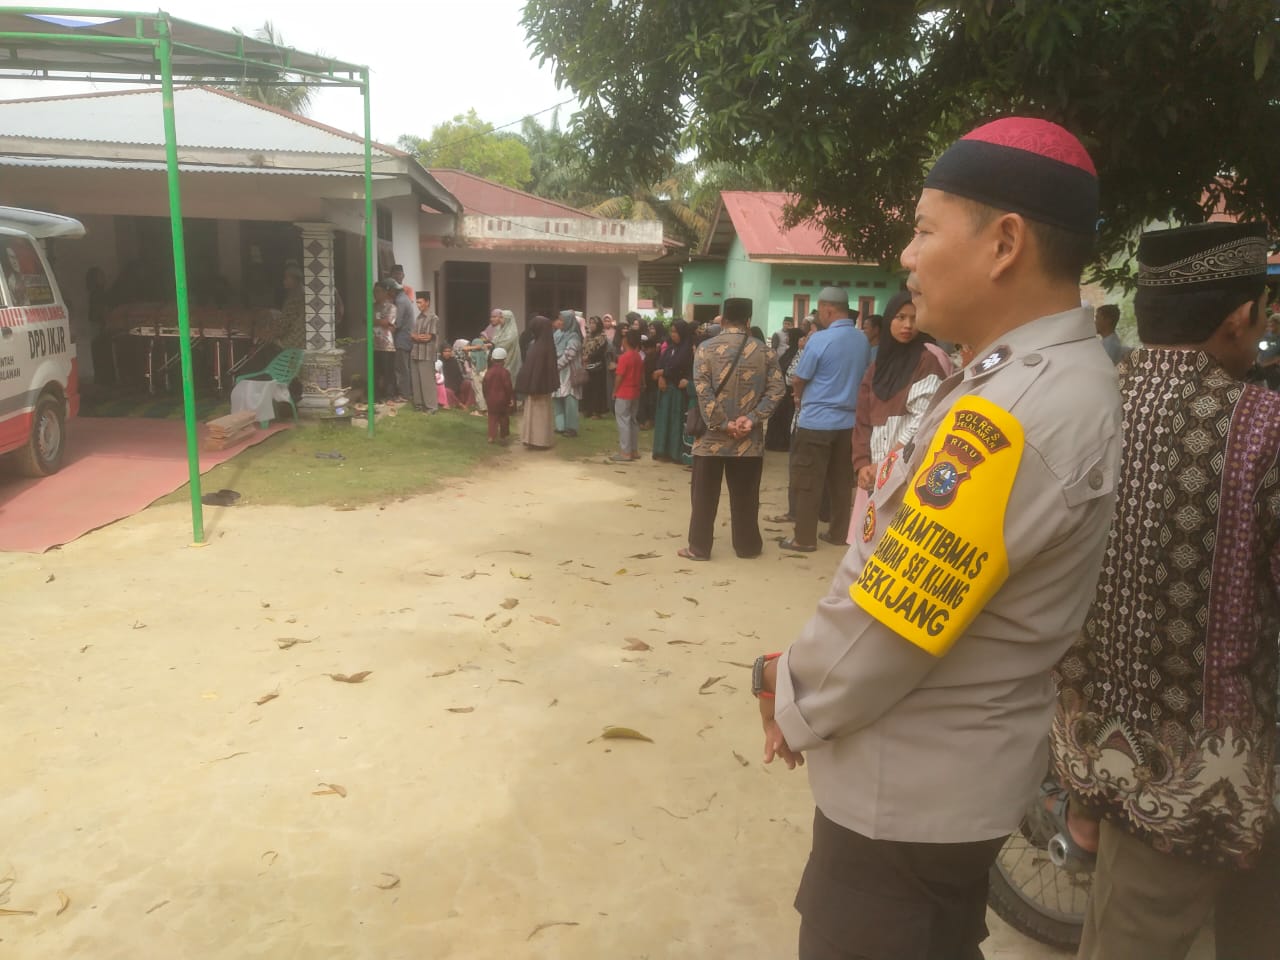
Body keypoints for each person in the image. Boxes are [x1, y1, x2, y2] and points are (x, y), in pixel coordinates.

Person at [753, 117, 1121, 960]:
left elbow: (891, 620)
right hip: (937, 786)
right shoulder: (1024, 379)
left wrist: (787, 685)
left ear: (1005, 244)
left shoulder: (1016, 411)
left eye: (923, 230)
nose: (907, 256)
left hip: (905, 798)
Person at [1050, 221, 1280, 960]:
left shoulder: (1081, 409)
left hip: (1097, 752)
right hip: (1222, 769)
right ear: (1240, 316)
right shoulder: (1262, 426)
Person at [678, 297, 783, 562]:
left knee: (703, 497)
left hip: (710, 440)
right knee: (746, 496)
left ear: (723, 320)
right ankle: (747, 547)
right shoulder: (765, 352)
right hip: (748, 440)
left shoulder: (705, 349)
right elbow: (777, 390)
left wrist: (724, 424)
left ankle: (699, 548)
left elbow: (703, 392)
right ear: (749, 321)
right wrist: (752, 419)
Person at [847, 290, 951, 544]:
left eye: (914, 318)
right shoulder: (877, 368)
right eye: (900, 317)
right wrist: (862, 464)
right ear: (888, 321)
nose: (907, 325)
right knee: (870, 540)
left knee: (895, 541)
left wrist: (887, 462)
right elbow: (863, 420)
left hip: (906, 469)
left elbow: (924, 417)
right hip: (874, 471)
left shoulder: (926, 361)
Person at [781, 286, 870, 553]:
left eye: (820, 310)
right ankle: (838, 532)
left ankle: (804, 538)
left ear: (828, 309)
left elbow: (799, 378)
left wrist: (798, 398)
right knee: (840, 481)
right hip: (849, 423)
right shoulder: (862, 340)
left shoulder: (820, 339)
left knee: (808, 480)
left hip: (817, 422)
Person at [653, 320, 694, 462]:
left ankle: (675, 453)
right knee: (663, 421)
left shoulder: (688, 350)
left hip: (678, 391)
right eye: (671, 331)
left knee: (676, 421)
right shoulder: (670, 349)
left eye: (676, 332)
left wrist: (663, 373)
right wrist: (661, 377)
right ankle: (661, 450)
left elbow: (679, 366)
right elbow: (660, 364)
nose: (673, 335)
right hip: (665, 390)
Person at [515, 315, 558, 449]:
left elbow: (538, 369)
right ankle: (535, 439)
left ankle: (538, 441)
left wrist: (533, 386)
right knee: (538, 413)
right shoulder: (544, 344)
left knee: (538, 414)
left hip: (537, 387)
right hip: (540, 386)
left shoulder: (540, 347)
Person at [765, 328, 803, 452]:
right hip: (782, 392)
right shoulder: (789, 352)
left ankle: (783, 443)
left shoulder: (798, 353)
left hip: (789, 393)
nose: (786, 338)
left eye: (789, 336)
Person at [611, 328, 645, 463]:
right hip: (635, 392)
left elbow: (619, 376)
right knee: (633, 421)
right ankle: (633, 450)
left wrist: (614, 391)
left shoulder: (624, 357)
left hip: (624, 392)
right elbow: (642, 374)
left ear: (626, 340)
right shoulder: (638, 356)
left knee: (623, 422)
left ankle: (625, 452)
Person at [552, 309, 583, 437]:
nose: (559, 322)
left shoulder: (574, 336)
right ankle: (560, 426)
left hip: (569, 372)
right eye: (559, 319)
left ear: (568, 321)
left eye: (562, 320)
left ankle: (571, 428)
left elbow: (570, 354)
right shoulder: (558, 334)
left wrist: (557, 365)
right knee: (557, 397)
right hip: (557, 372)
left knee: (570, 399)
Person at [409, 290, 439, 413]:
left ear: (427, 302)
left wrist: (415, 336)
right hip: (416, 352)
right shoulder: (418, 318)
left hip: (427, 354)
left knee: (427, 381)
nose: (418, 305)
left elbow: (427, 337)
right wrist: (415, 336)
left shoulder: (433, 318)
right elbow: (412, 334)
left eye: (420, 302)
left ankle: (431, 407)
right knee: (416, 380)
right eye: (417, 302)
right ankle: (419, 405)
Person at [482, 346, 516, 444]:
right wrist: (510, 398)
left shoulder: (488, 372)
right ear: (504, 360)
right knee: (503, 417)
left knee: (492, 417)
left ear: (492, 359)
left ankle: (491, 437)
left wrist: (486, 397)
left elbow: (484, 386)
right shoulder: (505, 372)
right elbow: (508, 387)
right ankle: (503, 437)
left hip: (491, 399)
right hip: (503, 399)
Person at [389, 279, 415, 403]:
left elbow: (397, 323)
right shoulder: (405, 299)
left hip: (402, 339)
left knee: (402, 368)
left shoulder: (400, 301)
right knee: (406, 368)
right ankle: (409, 392)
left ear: (393, 291)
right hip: (407, 338)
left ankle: (404, 394)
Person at [372, 280, 397, 402]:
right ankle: (376, 396)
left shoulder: (391, 307)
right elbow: (365, 320)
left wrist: (374, 321)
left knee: (388, 373)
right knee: (375, 372)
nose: (375, 294)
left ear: (384, 293)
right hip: (374, 344)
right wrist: (379, 322)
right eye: (374, 291)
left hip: (387, 345)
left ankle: (389, 396)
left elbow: (387, 322)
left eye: (378, 291)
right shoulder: (372, 307)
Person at [581, 315, 610, 418]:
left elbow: (601, 352)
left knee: (597, 389)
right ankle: (587, 410)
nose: (592, 325)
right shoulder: (587, 337)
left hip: (598, 366)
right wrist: (584, 357)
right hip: (587, 365)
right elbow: (583, 348)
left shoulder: (602, 337)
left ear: (598, 325)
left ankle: (597, 411)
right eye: (590, 323)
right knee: (587, 388)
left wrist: (589, 357)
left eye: (594, 323)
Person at [490, 308, 522, 387]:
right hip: (500, 359)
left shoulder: (512, 332)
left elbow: (503, 345)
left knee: (508, 379)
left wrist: (493, 344)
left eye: (502, 317)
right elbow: (494, 339)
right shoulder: (501, 328)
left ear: (507, 319)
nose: (499, 319)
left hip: (509, 358)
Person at [439, 341, 475, 410]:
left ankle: (468, 404)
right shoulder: (439, 362)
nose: (447, 353)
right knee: (447, 391)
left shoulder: (454, 361)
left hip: (457, 386)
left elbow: (459, 376)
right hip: (445, 387)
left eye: (449, 351)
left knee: (468, 383)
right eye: (445, 351)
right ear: (441, 352)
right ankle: (459, 404)